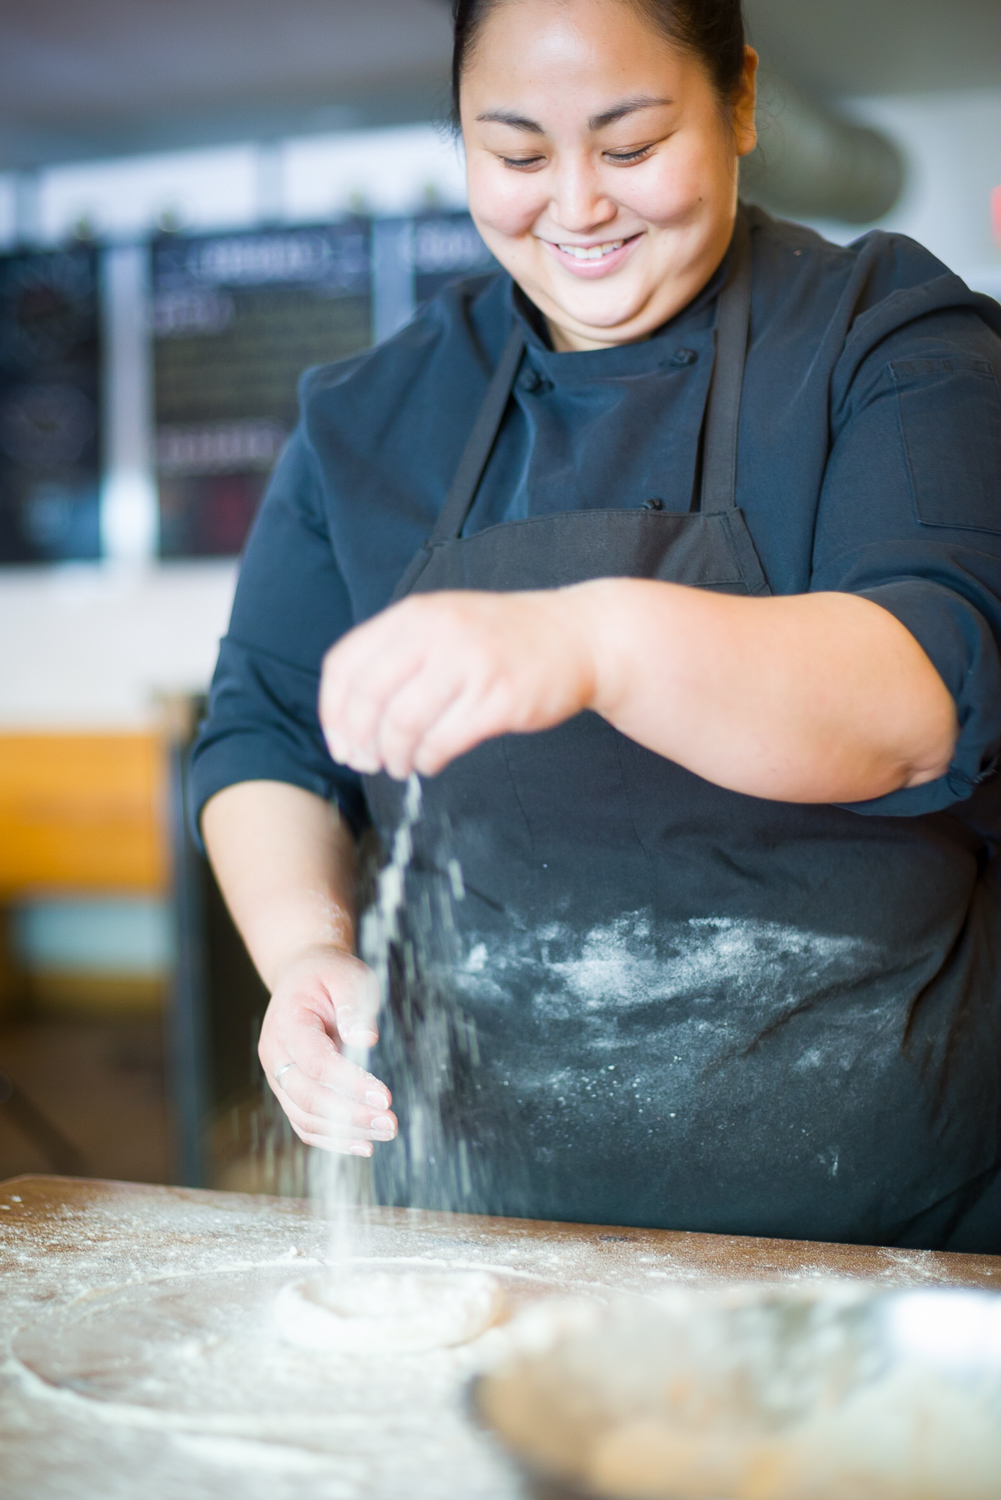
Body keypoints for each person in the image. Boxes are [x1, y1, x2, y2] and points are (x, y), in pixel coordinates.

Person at [191, 0, 1001, 1251]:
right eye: (515, 156)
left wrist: (586, 645)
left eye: (627, 146)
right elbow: (262, 729)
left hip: (880, 1232)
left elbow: (918, 699)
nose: (573, 205)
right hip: (476, 1237)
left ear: (737, 102)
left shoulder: (884, 337)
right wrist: (304, 950)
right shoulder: (370, 411)